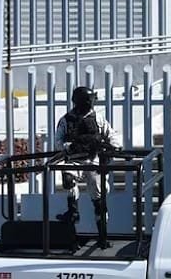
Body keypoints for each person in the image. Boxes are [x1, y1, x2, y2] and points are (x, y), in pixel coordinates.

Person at [54, 86, 121, 246]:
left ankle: (103, 236)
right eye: (88, 100)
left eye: (91, 100)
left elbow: (111, 135)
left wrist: (114, 147)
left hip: (94, 160)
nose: (90, 103)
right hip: (74, 159)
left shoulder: (98, 118)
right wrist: (68, 146)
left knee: (99, 200)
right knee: (68, 179)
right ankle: (73, 211)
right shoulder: (66, 120)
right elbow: (58, 141)